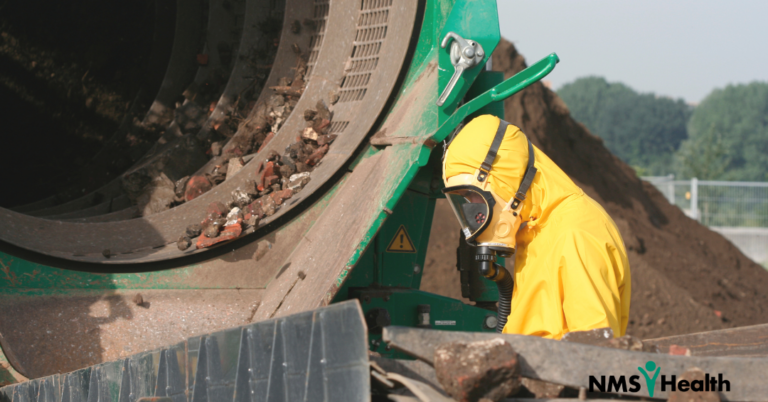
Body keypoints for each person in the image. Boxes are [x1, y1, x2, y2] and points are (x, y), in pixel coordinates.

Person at [441, 115, 630, 339]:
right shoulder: (536, 228)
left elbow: (596, 352)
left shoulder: (576, 233)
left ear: (505, 179)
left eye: (474, 194)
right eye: (464, 198)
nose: (474, 210)